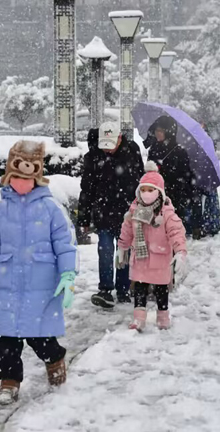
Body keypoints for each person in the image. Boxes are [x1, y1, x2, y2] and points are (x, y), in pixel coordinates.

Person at [0, 140, 78, 406]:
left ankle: (55, 358)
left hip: (41, 284)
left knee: (40, 336)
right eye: (17, 176)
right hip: (8, 283)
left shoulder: (50, 209)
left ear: (36, 175)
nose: (22, 181)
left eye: (27, 176)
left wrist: (68, 275)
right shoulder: (0, 212)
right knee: (8, 338)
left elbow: (65, 245)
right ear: (9, 175)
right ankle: (9, 380)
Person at [77, 120, 143, 308]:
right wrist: (83, 217)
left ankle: (123, 289)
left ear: (119, 138)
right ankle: (105, 289)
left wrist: (141, 209)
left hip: (126, 213)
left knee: (124, 251)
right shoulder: (93, 157)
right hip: (103, 212)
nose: (107, 150)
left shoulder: (132, 152)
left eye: (111, 145)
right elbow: (87, 189)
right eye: (104, 145)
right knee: (105, 250)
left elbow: (140, 181)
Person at [117, 162, 188, 331]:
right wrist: (122, 247)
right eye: (143, 190)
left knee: (161, 289)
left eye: (151, 190)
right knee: (139, 287)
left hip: (160, 257)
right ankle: (139, 319)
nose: (146, 194)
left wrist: (180, 252)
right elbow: (127, 230)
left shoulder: (167, 213)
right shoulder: (134, 210)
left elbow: (176, 232)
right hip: (140, 257)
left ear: (159, 192)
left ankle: (163, 316)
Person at [144, 115, 199, 235]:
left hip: (175, 198)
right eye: (156, 130)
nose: (157, 133)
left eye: (160, 131)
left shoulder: (179, 152)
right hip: (156, 197)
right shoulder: (153, 149)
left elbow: (185, 177)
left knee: (172, 232)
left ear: (168, 132)